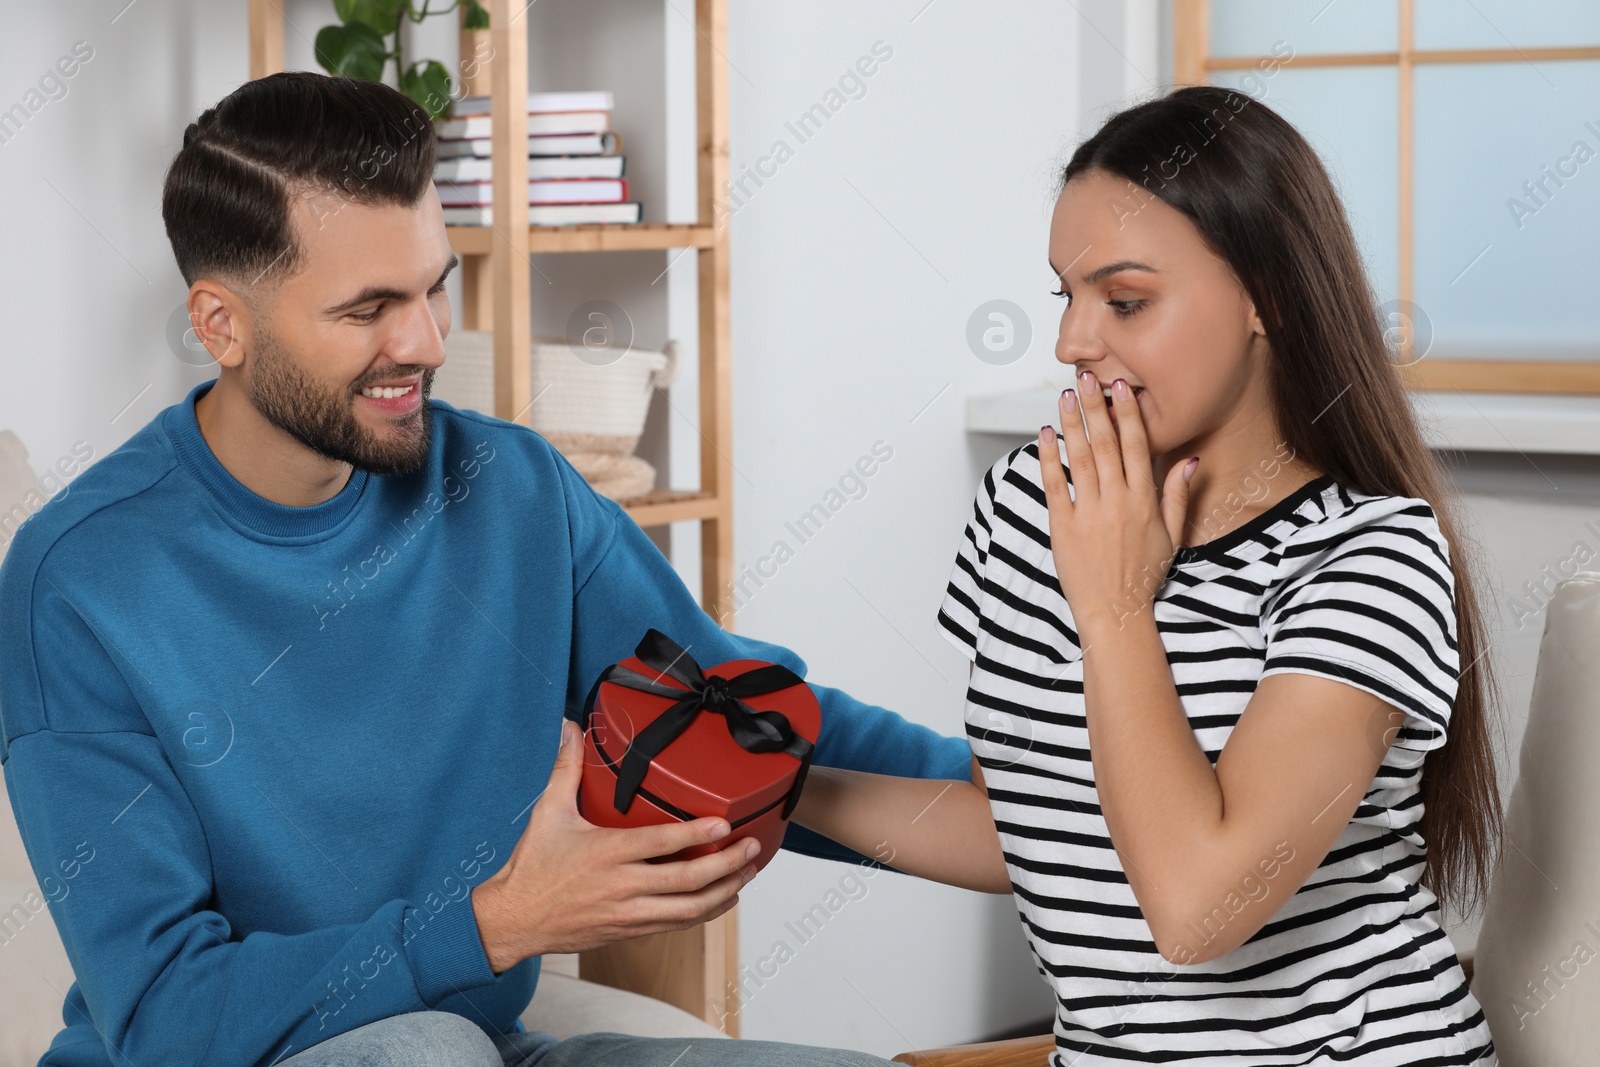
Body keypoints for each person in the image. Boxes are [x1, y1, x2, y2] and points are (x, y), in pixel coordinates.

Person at [0, 71, 970, 1067]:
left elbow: (736, 709)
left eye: (434, 285)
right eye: (368, 306)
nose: (422, 341)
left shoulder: (508, 488)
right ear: (220, 325)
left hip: (478, 1045)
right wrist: (498, 922)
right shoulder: (81, 578)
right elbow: (166, 1014)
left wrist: (1057, 800)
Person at [793, 85, 1502, 1065]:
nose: (1073, 342)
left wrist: (1116, 602)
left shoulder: (1372, 555)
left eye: (1124, 299)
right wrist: (768, 789)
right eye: (1066, 294)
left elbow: (1198, 907)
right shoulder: (1026, 506)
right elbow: (1029, 829)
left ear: (1269, 296)